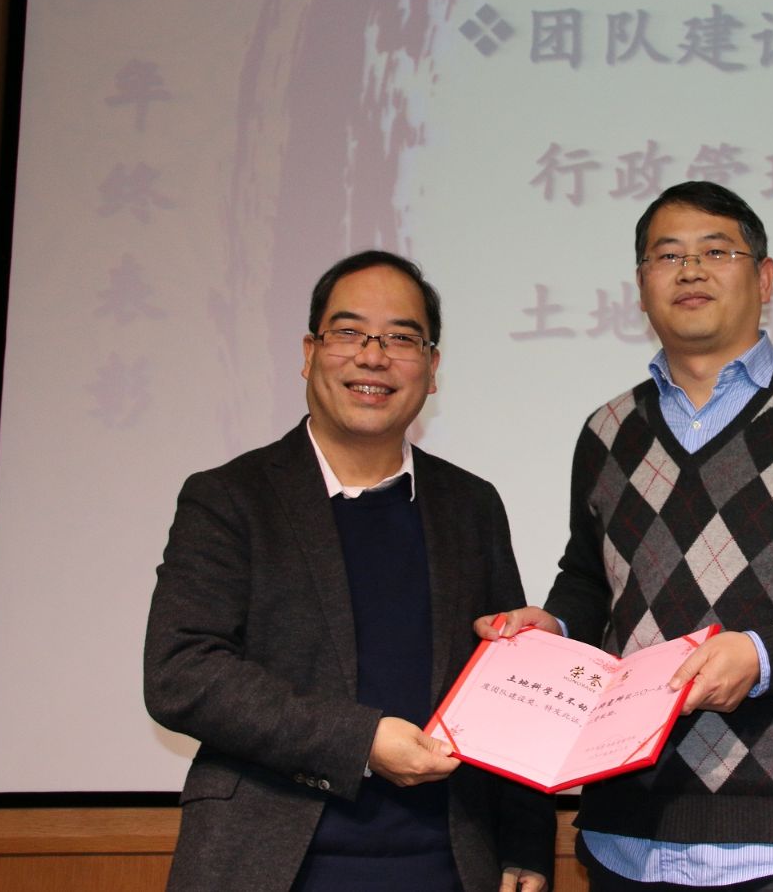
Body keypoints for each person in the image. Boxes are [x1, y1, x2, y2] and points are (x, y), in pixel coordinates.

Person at [478, 182, 773, 891]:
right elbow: (592, 581)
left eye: (716, 252)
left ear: (765, 278)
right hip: (625, 838)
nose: (690, 270)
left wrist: (762, 657)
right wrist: (556, 627)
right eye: (667, 255)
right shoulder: (607, 432)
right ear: (640, 287)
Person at [145, 250, 553, 892]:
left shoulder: (471, 504)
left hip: (449, 865)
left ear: (432, 368)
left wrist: (526, 843)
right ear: (309, 353)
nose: (373, 357)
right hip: (270, 865)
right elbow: (181, 672)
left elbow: (507, 685)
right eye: (349, 333)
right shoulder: (230, 497)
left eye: (401, 338)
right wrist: (361, 740)